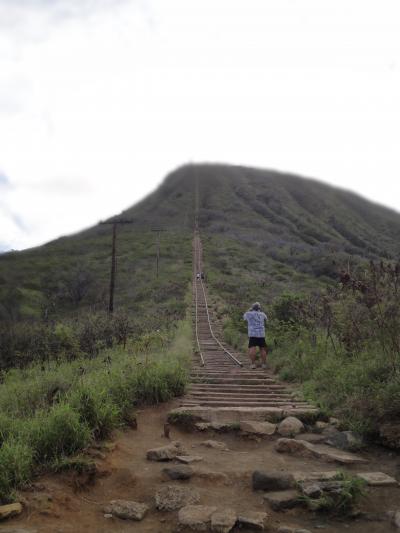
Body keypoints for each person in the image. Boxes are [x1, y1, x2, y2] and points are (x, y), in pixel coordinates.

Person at [243, 302, 268, 369]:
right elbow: (266, 319)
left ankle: (253, 364)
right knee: (262, 349)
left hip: (253, 334)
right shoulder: (262, 314)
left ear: (252, 308)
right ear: (259, 308)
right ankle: (264, 364)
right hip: (261, 334)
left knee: (252, 348)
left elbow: (244, 318)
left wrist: (249, 310)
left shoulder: (249, 314)